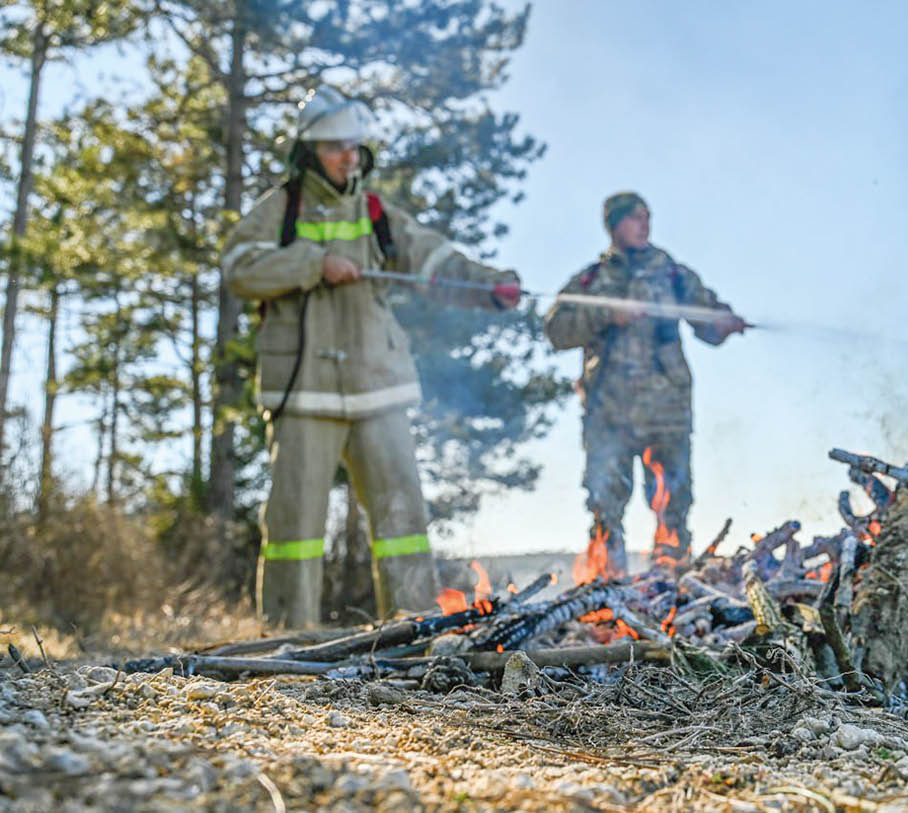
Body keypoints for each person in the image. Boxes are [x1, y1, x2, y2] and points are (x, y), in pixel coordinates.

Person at [221, 87, 521, 627]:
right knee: (293, 527)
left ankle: (415, 631)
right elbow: (239, 267)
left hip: (379, 385)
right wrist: (313, 263)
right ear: (310, 151)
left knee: (403, 519)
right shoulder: (279, 210)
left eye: (353, 146)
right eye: (336, 147)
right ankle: (288, 640)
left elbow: (434, 260)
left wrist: (488, 286)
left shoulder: (377, 213)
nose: (349, 157)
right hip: (303, 389)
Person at [543, 192, 746, 576]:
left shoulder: (671, 274)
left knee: (673, 500)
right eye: (635, 218)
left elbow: (707, 320)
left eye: (648, 217)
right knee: (605, 500)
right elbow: (556, 331)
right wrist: (606, 315)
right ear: (614, 225)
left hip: (666, 410)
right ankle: (608, 581)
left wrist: (724, 321)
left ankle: (672, 578)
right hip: (608, 411)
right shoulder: (591, 281)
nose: (645, 225)